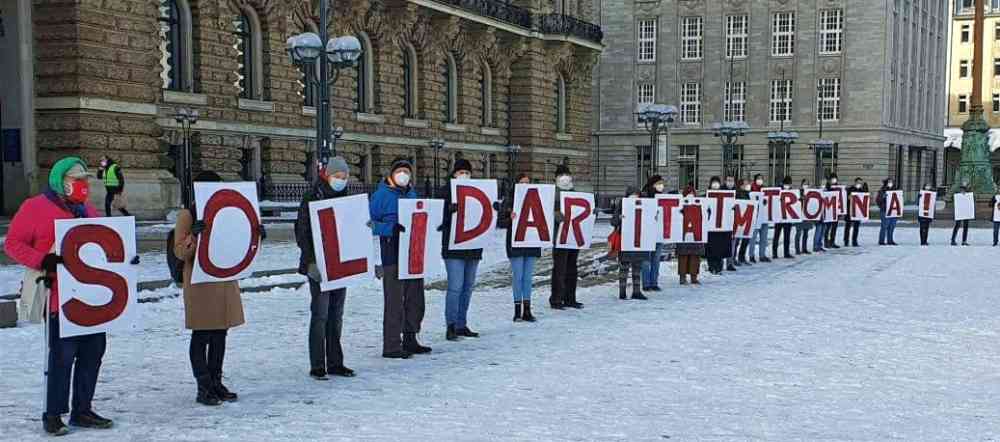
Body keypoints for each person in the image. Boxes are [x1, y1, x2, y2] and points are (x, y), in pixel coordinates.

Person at [5, 157, 122, 435]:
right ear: (60, 181)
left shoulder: (88, 210)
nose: (82, 185)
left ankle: (83, 409)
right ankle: (54, 414)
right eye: (76, 180)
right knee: (62, 357)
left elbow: (106, 240)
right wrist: (41, 259)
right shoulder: (35, 207)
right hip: (59, 296)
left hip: (92, 297)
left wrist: (124, 258)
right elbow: (12, 243)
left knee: (93, 354)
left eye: (84, 180)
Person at [174, 171, 251, 405]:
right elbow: (179, 252)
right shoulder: (188, 215)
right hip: (201, 284)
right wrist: (193, 237)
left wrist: (254, 234)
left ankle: (216, 381)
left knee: (220, 334)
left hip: (223, 280)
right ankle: (203, 385)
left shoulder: (226, 210)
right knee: (201, 335)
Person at [296, 156, 358, 377]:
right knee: (320, 313)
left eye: (344, 177)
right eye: (337, 176)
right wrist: (311, 261)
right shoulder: (312, 196)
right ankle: (317, 364)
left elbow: (351, 230)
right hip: (319, 264)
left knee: (336, 314)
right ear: (327, 175)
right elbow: (302, 232)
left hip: (339, 264)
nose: (341, 180)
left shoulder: (347, 198)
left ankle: (335, 361)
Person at [370, 158, 432, 358]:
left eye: (407, 171)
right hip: (392, 254)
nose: (404, 174)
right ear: (392, 174)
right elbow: (367, 222)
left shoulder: (412, 193)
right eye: (400, 171)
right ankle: (392, 345)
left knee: (415, 298)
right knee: (394, 301)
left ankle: (411, 337)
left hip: (413, 253)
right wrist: (389, 228)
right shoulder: (381, 195)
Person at [439, 158, 490, 340]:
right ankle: (451, 324)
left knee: (467, 287)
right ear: (454, 174)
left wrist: (495, 209)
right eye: (461, 172)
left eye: (467, 172)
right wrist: (448, 211)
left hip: (473, 246)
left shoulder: (477, 191)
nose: (464, 175)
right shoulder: (445, 192)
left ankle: (462, 323)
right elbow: (437, 221)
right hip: (453, 248)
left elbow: (486, 214)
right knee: (455, 286)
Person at [504, 174, 540, 321]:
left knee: (527, 278)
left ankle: (527, 310)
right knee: (518, 277)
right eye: (522, 183)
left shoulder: (537, 199)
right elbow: (499, 221)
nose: (525, 185)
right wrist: (509, 218)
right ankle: (517, 309)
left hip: (531, 241)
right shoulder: (509, 201)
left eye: (528, 182)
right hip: (517, 243)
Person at [550, 164, 584, 309]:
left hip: (573, 236)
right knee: (560, 268)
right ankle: (556, 299)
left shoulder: (574, 192)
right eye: (561, 175)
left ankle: (570, 298)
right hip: (559, 236)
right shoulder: (552, 193)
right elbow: (546, 211)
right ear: (556, 178)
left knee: (572, 268)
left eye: (567, 175)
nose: (565, 178)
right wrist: (555, 214)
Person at [612, 186, 648, 299]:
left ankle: (636, 291)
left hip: (638, 240)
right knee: (624, 267)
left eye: (636, 195)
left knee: (637, 267)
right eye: (632, 195)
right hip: (626, 239)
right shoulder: (622, 204)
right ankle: (622, 292)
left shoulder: (644, 204)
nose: (634, 197)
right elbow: (613, 221)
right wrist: (619, 217)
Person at [640, 175, 665, 291]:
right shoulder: (644, 196)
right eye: (659, 183)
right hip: (646, 232)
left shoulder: (663, 197)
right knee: (646, 259)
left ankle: (654, 283)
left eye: (662, 183)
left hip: (658, 233)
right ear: (653, 184)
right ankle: (646, 283)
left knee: (656, 259)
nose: (661, 186)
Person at [676, 185, 705, 285]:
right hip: (684, 232)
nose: (690, 196)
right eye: (688, 194)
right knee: (683, 256)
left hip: (696, 232)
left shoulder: (699, 204)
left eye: (692, 194)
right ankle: (682, 277)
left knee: (695, 256)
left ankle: (694, 277)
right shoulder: (680, 205)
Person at [705, 176, 732, 274]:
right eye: (714, 182)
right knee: (710, 249)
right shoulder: (706, 195)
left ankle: (719, 267)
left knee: (720, 249)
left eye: (717, 182)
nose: (715, 185)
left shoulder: (725, 195)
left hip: (721, 227)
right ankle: (711, 266)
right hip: (710, 228)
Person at [749, 174, 771, 263]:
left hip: (764, 217)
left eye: (761, 179)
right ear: (755, 180)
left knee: (764, 238)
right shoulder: (751, 189)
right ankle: (751, 255)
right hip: (755, 217)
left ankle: (762, 255)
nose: (760, 180)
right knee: (753, 238)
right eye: (758, 179)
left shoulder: (765, 190)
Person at [772, 176, 794, 259]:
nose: (787, 185)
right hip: (779, 217)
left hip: (788, 217)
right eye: (786, 183)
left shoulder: (792, 192)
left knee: (787, 236)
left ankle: (786, 252)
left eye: (789, 184)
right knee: (776, 235)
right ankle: (774, 253)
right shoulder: (779, 191)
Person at [843, 177, 868, 247]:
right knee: (848, 227)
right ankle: (846, 241)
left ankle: (854, 241)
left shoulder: (861, 190)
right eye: (858, 182)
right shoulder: (850, 189)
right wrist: (848, 197)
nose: (859, 184)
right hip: (850, 211)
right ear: (855, 182)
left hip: (857, 212)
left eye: (860, 183)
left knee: (856, 227)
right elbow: (845, 199)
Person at [723, 175, 739, 271]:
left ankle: (730, 263)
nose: (730, 182)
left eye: (732, 180)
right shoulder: (720, 190)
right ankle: (720, 262)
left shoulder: (737, 192)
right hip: (723, 221)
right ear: (725, 181)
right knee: (721, 243)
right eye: (728, 180)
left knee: (733, 243)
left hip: (734, 221)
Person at [735, 179, 754, 265]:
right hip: (739, 220)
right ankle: (734, 257)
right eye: (745, 184)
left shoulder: (748, 194)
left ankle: (741, 257)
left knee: (746, 240)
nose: (747, 185)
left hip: (747, 220)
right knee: (737, 240)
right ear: (741, 185)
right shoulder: (737, 194)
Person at [877, 178, 899, 246]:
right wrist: (883, 197)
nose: (890, 183)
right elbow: (878, 201)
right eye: (889, 182)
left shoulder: (896, 190)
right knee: (884, 226)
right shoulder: (882, 191)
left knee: (892, 226)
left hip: (894, 211)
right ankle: (881, 241)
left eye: (891, 182)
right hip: (884, 210)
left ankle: (890, 240)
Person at [794, 179, 813, 255]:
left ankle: (804, 248)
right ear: (801, 184)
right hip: (800, 215)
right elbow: (795, 200)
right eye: (804, 183)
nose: (806, 185)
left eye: (807, 184)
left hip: (807, 215)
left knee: (806, 232)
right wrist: (801, 198)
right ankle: (797, 249)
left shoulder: (810, 192)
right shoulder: (798, 192)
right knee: (798, 233)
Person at [825, 174, 842, 249]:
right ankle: (826, 242)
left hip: (836, 211)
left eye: (835, 179)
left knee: (834, 227)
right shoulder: (827, 187)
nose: (834, 180)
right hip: (829, 211)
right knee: (828, 227)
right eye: (832, 179)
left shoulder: (838, 188)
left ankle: (832, 241)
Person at [813, 178, 828, 253]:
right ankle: (815, 246)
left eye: (825, 182)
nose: (824, 184)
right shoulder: (817, 191)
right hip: (818, 214)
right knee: (818, 230)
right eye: (822, 182)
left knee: (822, 231)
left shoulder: (827, 191)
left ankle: (820, 245)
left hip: (825, 214)